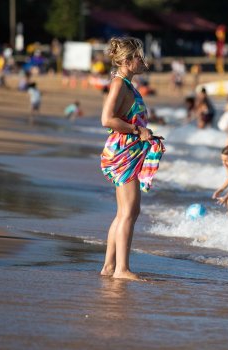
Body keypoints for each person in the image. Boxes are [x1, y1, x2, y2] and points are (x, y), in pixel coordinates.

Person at [99, 36, 165, 281]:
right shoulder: (119, 84)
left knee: (124, 212)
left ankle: (109, 267)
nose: (142, 60)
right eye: (139, 56)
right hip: (123, 154)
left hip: (128, 151)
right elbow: (107, 119)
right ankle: (121, 269)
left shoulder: (126, 84)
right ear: (127, 61)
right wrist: (139, 131)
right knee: (129, 211)